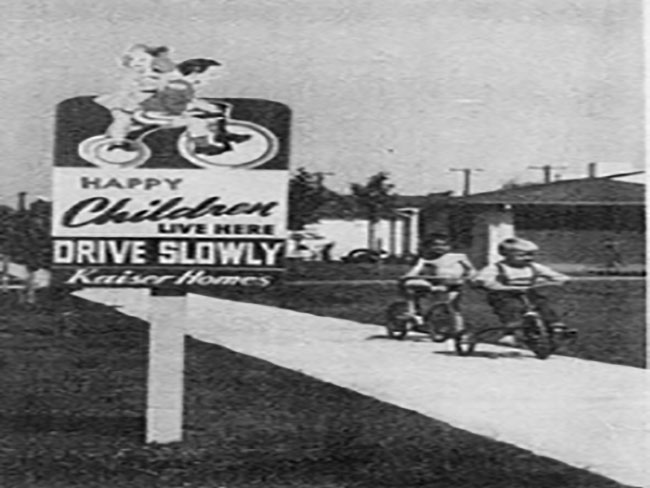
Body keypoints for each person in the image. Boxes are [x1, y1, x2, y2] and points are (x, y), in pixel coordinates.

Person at [472, 237, 571, 346]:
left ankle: (555, 325)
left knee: (544, 304)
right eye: (521, 255)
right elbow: (482, 279)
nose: (528, 258)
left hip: (528, 292)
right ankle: (510, 333)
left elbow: (557, 276)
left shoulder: (534, 267)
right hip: (504, 293)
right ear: (506, 254)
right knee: (511, 307)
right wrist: (491, 284)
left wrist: (559, 280)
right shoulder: (497, 267)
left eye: (531, 255)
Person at [94, 44, 176, 146]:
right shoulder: (136, 75)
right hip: (129, 102)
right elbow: (129, 88)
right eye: (133, 60)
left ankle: (127, 136)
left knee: (143, 123)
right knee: (123, 120)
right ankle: (116, 142)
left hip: (149, 102)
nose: (137, 63)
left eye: (142, 60)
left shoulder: (161, 74)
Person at [400, 233, 476, 339]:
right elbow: (416, 270)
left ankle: (459, 330)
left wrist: (471, 276)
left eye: (444, 245)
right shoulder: (426, 259)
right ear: (428, 246)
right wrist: (408, 275)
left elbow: (471, 269)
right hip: (434, 283)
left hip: (454, 284)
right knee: (409, 284)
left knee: (454, 307)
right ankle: (412, 312)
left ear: (450, 246)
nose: (440, 248)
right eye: (435, 245)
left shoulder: (459, 257)